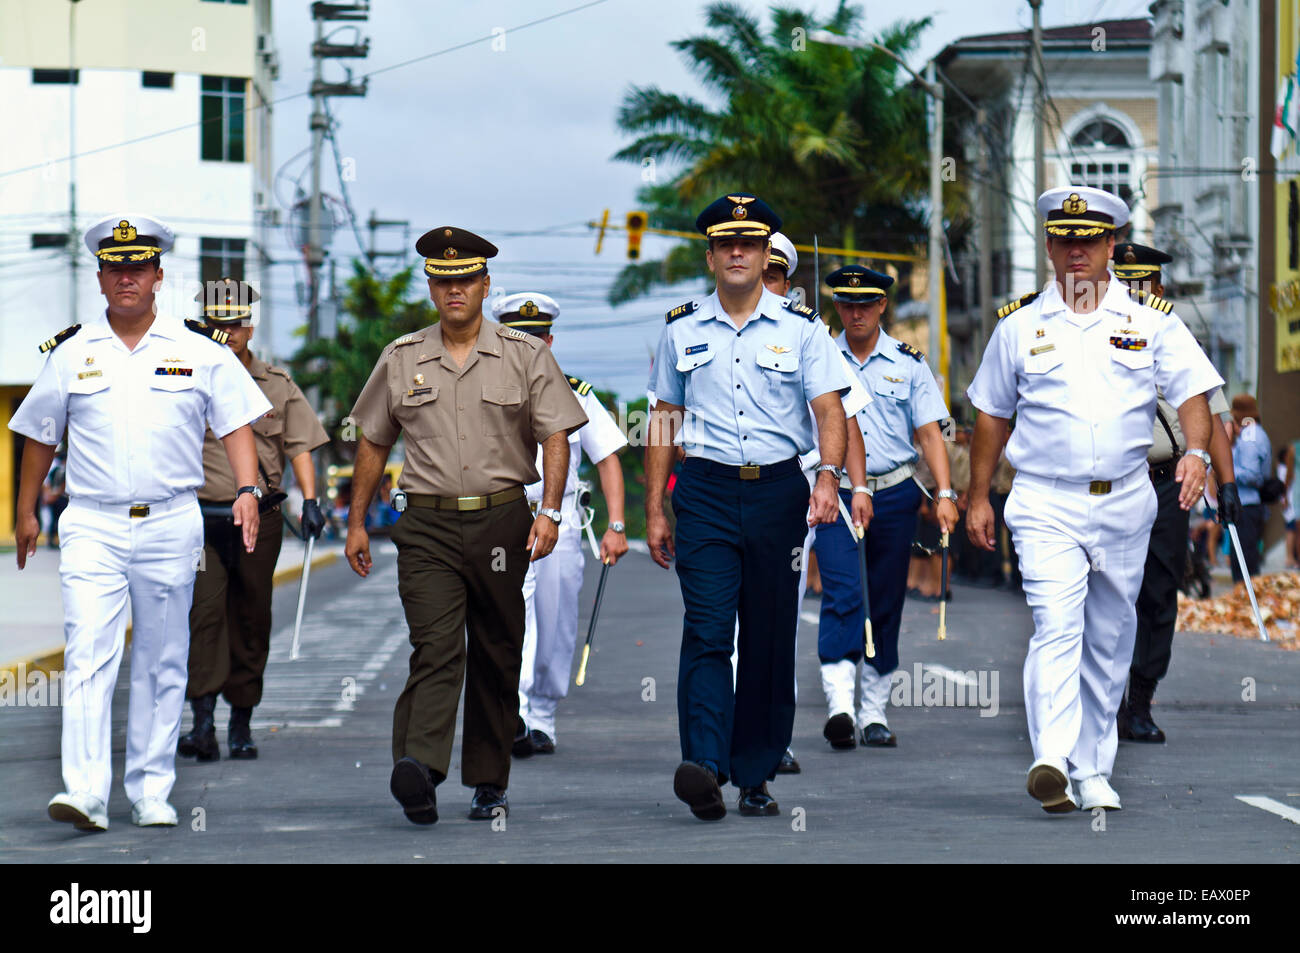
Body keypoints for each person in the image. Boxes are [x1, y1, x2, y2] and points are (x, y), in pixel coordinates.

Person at [966, 187, 1223, 814]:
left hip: (1127, 499)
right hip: (1044, 501)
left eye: (1090, 240)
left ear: (1111, 245)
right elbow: (991, 417)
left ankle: (1092, 769)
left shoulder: (1150, 320)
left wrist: (1196, 452)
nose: (1077, 251)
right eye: (1065, 240)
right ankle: (1052, 757)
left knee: (1110, 635)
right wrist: (976, 495)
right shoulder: (1019, 326)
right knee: (1057, 625)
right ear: (1051, 247)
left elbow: (1194, 393)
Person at [10, 214, 269, 831]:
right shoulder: (72, 353)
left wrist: (248, 489)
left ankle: (152, 789)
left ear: (158, 275)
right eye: (114, 269)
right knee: (88, 653)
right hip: (92, 524)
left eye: (138, 268)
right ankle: (86, 792)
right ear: (100, 278)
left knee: (162, 657)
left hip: (171, 522)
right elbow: (41, 435)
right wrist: (25, 511)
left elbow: (236, 422)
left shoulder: (198, 350)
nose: (126, 278)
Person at [346, 227, 587, 825]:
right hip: (424, 523)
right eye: (442, 280)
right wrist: (355, 520)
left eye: (465, 280)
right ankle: (421, 770)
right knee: (435, 644)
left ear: (484, 285)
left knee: (498, 650)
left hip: (503, 520)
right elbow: (374, 440)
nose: (454, 290)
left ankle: (488, 780)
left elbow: (556, 433)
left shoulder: (524, 354)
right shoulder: (401, 358)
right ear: (431, 287)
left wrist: (551, 510)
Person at [647, 193, 852, 821]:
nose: (738, 252)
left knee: (766, 635)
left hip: (779, 493)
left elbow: (829, 411)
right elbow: (663, 420)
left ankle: (757, 772)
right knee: (708, 629)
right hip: (705, 490)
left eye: (751, 243)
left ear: (766, 256)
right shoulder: (680, 328)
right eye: (726, 244)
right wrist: (655, 506)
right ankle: (705, 766)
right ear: (710, 256)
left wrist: (828, 478)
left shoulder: (803, 330)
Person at [177, 278, 330, 762]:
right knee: (203, 617)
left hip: (257, 523)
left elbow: (299, 444)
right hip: (199, 519)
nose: (227, 332)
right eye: (217, 322)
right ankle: (203, 724)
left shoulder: (276, 385)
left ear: (249, 326)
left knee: (251, 616)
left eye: (235, 323)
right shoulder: (183, 376)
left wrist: (311, 500)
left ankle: (241, 721)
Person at [814, 265, 956, 749]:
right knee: (842, 592)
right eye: (847, 304)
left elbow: (930, 433)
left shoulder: (908, 362)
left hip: (894, 492)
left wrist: (945, 493)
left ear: (882, 307)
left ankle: (873, 712)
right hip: (834, 491)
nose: (856, 312)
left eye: (866, 303)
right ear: (837, 307)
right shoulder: (817, 357)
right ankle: (840, 707)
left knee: (886, 600)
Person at [1110, 243, 1238, 743]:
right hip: (1111, 483)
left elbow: (1213, 415)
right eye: (1127, 284)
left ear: (1159, 290)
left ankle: (1140, 701)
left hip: (1165, 484)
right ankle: (1104, 697)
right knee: (1106, 592)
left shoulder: (1177, 337)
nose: (1136, 294)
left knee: (1159, 591)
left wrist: (1225, 485)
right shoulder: (1097, 332)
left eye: (1144, 285)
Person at [492, 292, 628, 756]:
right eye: (518, 338)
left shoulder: (574, 393)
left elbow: (607, 456)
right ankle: (514, 714)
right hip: (501, 520)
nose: (529, 346)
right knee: (507, 623)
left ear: (550, 340)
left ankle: (542, 716)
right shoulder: (483, 389)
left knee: (553, 624)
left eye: (537, 338)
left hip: (560, 523)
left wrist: (616, 524)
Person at [757, 233, 872, 773]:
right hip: (725, 490)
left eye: (774, 277)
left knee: (779, 613)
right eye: (759, 273)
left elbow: (846, 418)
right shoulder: (698, 326)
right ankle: (731, 731)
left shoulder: (811, 336)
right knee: (726, 622)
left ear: (787, 283)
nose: (764, 285)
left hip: (799, 487)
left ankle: (774, 735)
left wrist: (856, 486)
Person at [1227, 394, 1272, 580]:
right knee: (1247, 564)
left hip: (1247, 505)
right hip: (1252, 506)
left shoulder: (1249, 437)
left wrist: (1227, 471)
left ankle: (1246, 606)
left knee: (1244, 569)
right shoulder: (1258, 433)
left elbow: (1252, 474)